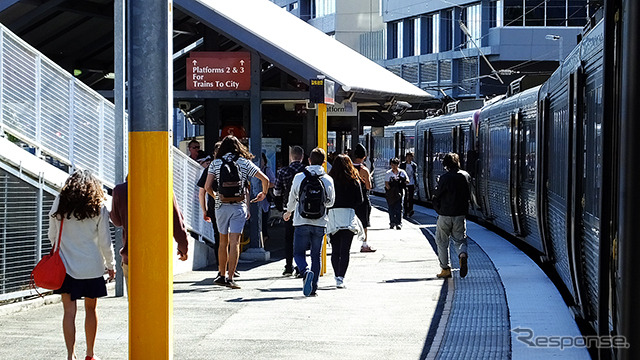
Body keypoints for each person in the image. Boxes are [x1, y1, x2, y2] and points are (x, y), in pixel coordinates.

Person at [48, 170, 115, 360]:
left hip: (65, 266)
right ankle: (90, 354)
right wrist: (110, 264)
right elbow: (105, 240)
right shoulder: (98, 205)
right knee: (91, 310)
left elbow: (52, 235)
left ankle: (70, 356)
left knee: (69, 312)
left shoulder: (60, 201)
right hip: (91, 267)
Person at [205, 135, 270, 289]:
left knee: (223, 241)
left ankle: (221, 275)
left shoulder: (216, 163)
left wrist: (217, 198)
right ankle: (231, 277)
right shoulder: (243, 162)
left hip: (221, 207)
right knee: (235, 242)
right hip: (239, 205)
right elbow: (265, 179)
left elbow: (207, 186)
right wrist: (263, 193)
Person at [110, 179, 189, 291]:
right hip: (158, 257)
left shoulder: (119, 190)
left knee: (135, 304)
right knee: (158, 301)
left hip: (131, 255)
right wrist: (183, 246)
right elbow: (176, 220)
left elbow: (117, 221)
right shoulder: (163, 186)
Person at [283, 147, 335, 297]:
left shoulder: (299, 177)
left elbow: (292, 198)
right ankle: (313, 288)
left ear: (309, 160)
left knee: (298, 253)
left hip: (301, 221)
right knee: (315, 255)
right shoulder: (327, 179)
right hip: (320, 222)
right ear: (324, 162)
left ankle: (305, 273)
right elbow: (331, 202)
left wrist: (288, 212)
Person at [433, 152, 476, 279]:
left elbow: (437, 195)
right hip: (460, 214)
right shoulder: (466, 176)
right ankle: (462, 255)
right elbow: (470, 194)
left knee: (441, 241)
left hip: (445, 214)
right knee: (460, 239)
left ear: (445, 164)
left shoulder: (444, 178)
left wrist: (437, 208)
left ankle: (445, 269)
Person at [327, 154, 364, 289]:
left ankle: (336, 275)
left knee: (335, 249)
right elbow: (360, 200)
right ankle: (341, 277)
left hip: (333, 216)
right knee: (345, 250)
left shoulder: (330, 180)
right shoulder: (354, 180)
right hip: (348, 216)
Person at [273, 145, 306, 276]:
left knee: (289, 238)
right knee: (302, 238)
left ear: (291, 157)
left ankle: (288, 266)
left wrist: (280, 207)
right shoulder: (306, 171)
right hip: (304, 210)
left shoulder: (283, 171)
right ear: (302, 157)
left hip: (289, 209)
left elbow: (277, 192)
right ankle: (300, 266)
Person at [197, 144, 219, 268]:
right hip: (233, 205)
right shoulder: (234, 165)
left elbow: (202, 192)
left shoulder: (210, 168)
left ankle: (220, 267)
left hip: (214, 206)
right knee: (232, 237)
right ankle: (232, 267)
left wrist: (204, 210)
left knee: (218, 236)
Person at [352, 144, 375, 252]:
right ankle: (364, 244)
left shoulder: (349, 168)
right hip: (362, 199)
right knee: (364, 222)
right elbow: (368, 187)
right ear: (364, 156)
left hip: (351, 200)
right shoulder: (364, 170)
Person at [385, 158, 409, 230]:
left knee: (399, 208)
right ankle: (392, 222)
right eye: (392, 164)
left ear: (398, 165)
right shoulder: (388, 173)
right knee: (391, 208)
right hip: (391, 193)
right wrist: (390, 191)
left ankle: (398, 223)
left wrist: (403, 180)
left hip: (400, 192)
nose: (394, 166)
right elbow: (386, 183)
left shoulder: (402, 172)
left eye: (396, 164)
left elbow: (407, 180)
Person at [258, 152, 276, 242]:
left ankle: (264, 237)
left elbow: (273, 183)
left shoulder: (266, 170)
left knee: (263, 220)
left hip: (264, 200)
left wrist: (263, 186)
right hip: (254, 199)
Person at [400, 152, 417, 218]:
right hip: (404, 183)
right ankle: (405, 211)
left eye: (410, 157)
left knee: (411, 197)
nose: (409, 158)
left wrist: (416, 183)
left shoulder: (414, 165)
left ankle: (410, 210)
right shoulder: (403, 165)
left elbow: (415, 174)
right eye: (408, 157)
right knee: (405, 197)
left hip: (411, 183)